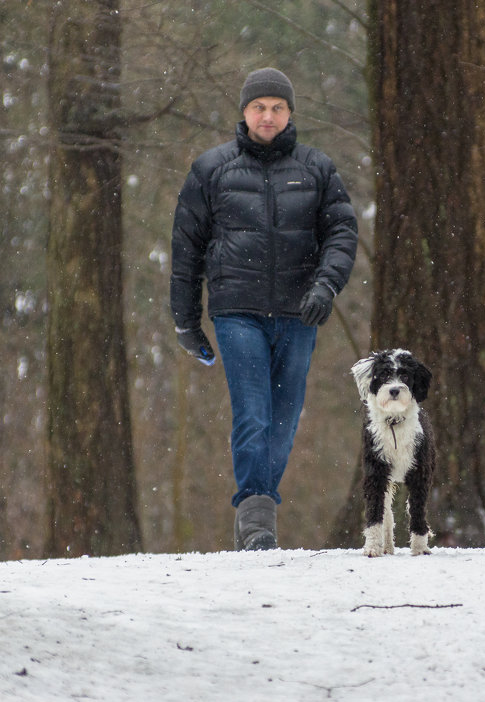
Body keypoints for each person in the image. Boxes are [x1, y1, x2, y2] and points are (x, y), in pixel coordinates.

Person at [171, 68, 358, 551]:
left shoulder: (317, 168)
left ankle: (259, 509)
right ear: (244, 112)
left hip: (300, 314)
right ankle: (256, 521)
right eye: (259, 107)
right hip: (237, 313)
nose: (268, 116)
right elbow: (186, 249)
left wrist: (325, 287)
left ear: (290, 112)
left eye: (277, 107)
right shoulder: (211, 169)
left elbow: (342, 232)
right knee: (252, 413)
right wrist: (186, 321)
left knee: (285, 415)